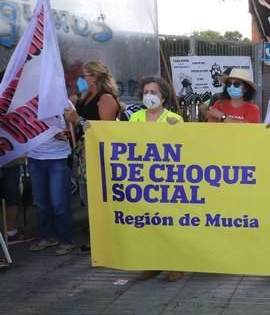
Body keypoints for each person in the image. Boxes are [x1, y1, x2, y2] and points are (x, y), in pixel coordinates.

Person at [129, 77, 184, 282]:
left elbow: (185, 145)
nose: (148, 96)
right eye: (145, 92)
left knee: (169, 224)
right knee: (147, 223)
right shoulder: (135, 118)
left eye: (153, 92)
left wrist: (177, 129)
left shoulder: (173, 118)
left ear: (163, 96)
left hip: (167, 179)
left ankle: (175, 264)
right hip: (142, 178)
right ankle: (152, 263)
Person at [64, 61, 120, 254]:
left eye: (84, 75)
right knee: (86, 199)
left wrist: (77, 119)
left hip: (99, 155)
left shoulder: (105, 99)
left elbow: (104, 129)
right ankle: (96, 237)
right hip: (83, 153)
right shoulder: (84, 97)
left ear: (94, 77)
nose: (81, 79)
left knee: (99, 199)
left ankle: (106, 239)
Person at [27, 108, 76, 256]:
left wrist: (65, 133)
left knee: (59, 202)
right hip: (35, 157)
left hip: (59, 158)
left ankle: (66, 240)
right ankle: (47, 237)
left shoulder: (63, 102)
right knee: (41, 202)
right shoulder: (27, 101)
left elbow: (74, 131)